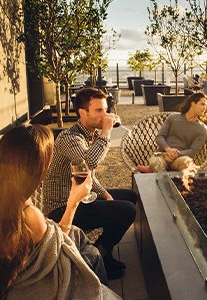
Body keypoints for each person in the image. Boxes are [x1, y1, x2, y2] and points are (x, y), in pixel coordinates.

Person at [0, 124, 120, 299]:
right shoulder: (29, 215)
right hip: (35, 289)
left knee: (89, 251)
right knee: (91, 255)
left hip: (6, 283)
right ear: (35, 169)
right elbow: (56, 251)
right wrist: (73, 202)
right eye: (48, 159)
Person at [43, 88, 137, 280]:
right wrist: (107, 130)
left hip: (79, 197)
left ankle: (101, 252)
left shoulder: (89, 134)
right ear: (82, 113)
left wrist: (104, 194)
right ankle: (98, 259)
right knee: (126, 210)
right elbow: (89, 163)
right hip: (63, 207)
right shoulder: (70, 138)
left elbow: (86, 176)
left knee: (130, 196)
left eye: (105, 109)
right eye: (99, 111)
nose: (105, 115)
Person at [137, 92, 207, 173]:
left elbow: (193, 151)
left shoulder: (202, 129)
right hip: (162, 154)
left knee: (187, 163)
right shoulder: (173, 118)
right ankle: (163, 182)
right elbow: (160, 137)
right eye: (202, 104)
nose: (205, 108)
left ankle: (178, 183)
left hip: (181, 157)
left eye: (206, 106)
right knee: (156, 164)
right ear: (193, 104)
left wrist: (176, 154)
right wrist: (168, 150)